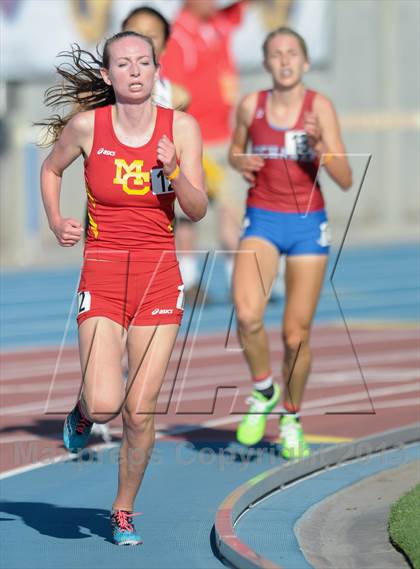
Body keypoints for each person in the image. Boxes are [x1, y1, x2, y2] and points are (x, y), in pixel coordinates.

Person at [39, 31, 206, 544]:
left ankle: (123, 507)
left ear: (156, 71)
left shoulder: (181, 127)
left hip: (159, 280)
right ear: (108, 76)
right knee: (109, 403)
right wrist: (55, 218)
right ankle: (85, 410)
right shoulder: (88, 126)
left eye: (143, 63)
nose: (135, 71)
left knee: (140, 410)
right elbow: (50, 169)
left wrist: (175, 169)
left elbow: (198, 208)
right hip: (104, 274)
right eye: (123, 64)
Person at [229, 27, 352, 459]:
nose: (284, 60)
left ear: (304, 62)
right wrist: (239, 160)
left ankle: (291, 416)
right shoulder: (251, 105)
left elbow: (344, 178)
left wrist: (320, 147)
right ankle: (264, 389)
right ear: (265, 63)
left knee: (295, 334)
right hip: (262, 218)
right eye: (276, 53)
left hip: (306, 224)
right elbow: (234, 151)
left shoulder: (319, 107)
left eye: (292, 53)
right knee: (246, 315)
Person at [160, 0, 247, 303]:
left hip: (226, 137)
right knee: (187, 214)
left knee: (232, 209)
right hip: (198, 141)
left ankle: (239, 280)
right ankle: (188, 281)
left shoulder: (218, 24)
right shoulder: (178, 36)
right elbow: (173, 93)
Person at [121, 5, 190, 110]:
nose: (141, 41)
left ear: (164, 47)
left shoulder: (177, 98)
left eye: (151, 36)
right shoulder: (96, 94)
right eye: (133, 33)